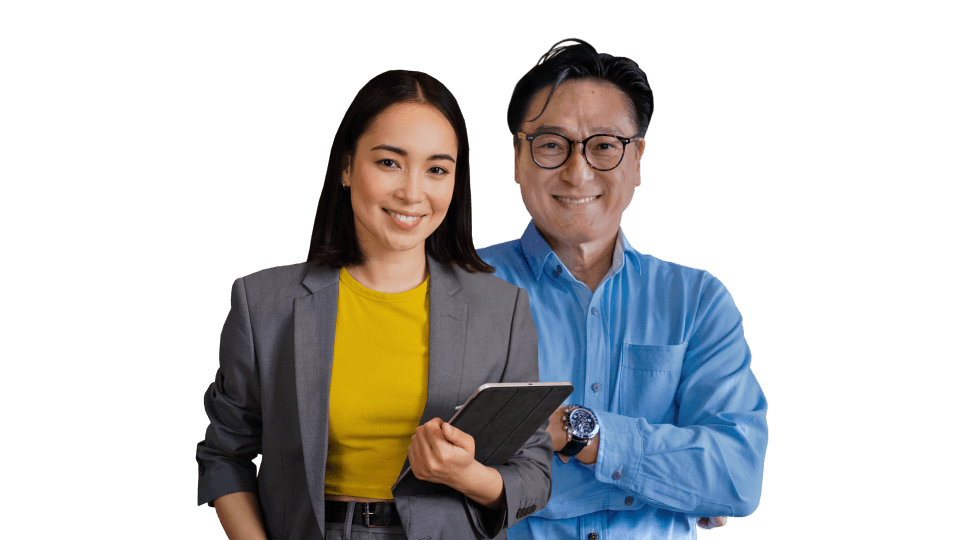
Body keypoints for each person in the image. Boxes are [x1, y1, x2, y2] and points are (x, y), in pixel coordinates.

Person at [196, 70, 552, 540]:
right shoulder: (264, 304)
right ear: (346, 166)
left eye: (437, 169)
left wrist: (466, 475)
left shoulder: (502, 309)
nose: (412, 192)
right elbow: (225, 455)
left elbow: (535, 473)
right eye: (389, 162)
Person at [476, 39, 768, 539]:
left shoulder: (697, 302)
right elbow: (440, 468)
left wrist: (577, 433)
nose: (578, 169)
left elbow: (737, 479)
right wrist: (672, 486)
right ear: (518, 158)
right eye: (551, 143)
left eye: (605, 145)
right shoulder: (463, 286)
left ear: (637, 161)